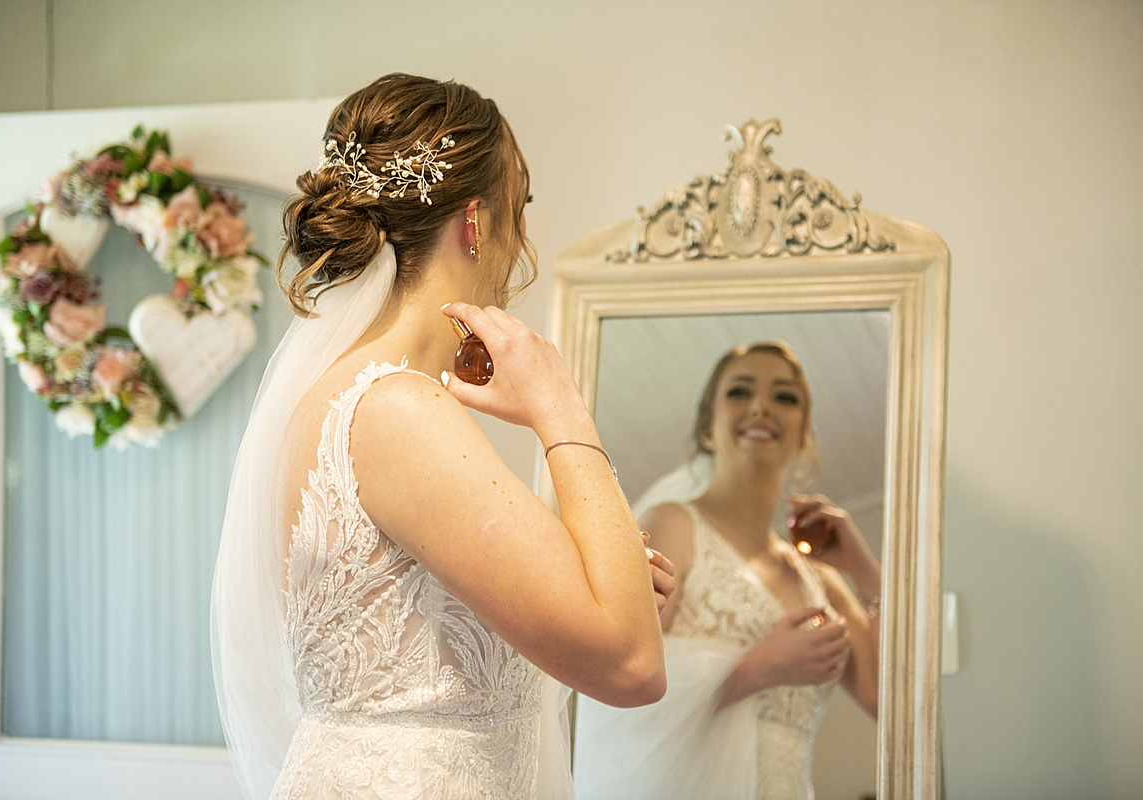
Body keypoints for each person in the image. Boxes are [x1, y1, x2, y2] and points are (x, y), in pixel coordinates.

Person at [210, 74, 673, 800]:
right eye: (520, 208)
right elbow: (632, 667)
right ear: (477, 222)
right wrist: (560, 407)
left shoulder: (343, 397)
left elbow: (456, 655)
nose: (522, 241)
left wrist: (604, 588)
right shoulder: (395, 408)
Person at [573, 342, 881, 800]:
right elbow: (615, 686)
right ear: (707, 429)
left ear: (805, 437)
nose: (760, 407)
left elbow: (888, 702)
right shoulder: (672, 525)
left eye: (785, 397)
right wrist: (757, 667)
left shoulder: (823, 584)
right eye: (739, 392)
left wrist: (866, 571)